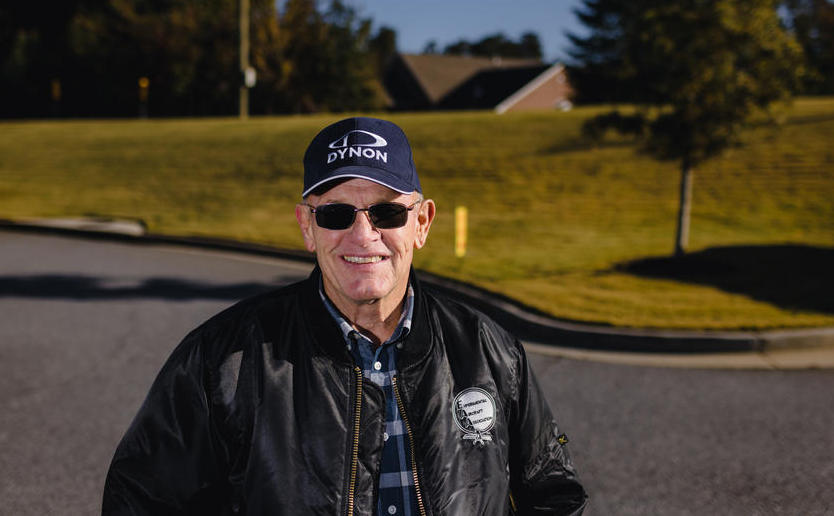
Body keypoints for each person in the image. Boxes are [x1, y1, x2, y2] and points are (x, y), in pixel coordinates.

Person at [103, 116, 588, 515]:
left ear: (421, 223)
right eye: (336, 213)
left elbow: (553, 493)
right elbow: (141, 500)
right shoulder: (221, 360)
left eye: (386, 213)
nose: (362, 235)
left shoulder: (490, 351)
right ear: (306, 227)